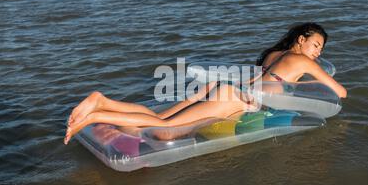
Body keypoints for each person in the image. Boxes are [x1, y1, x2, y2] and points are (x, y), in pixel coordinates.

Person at [64, 22, 347, 145]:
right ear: (302, 39)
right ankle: (97, 113)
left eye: (320, 49)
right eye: (316, 45)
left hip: (226, 89)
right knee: (164, 128)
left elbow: (255, 79)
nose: (318, 52)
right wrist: (315, 76)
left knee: (159, 116)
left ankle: (104, 102)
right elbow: (340, 93)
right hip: (233, 99)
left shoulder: (275, 54)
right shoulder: (306, 63)